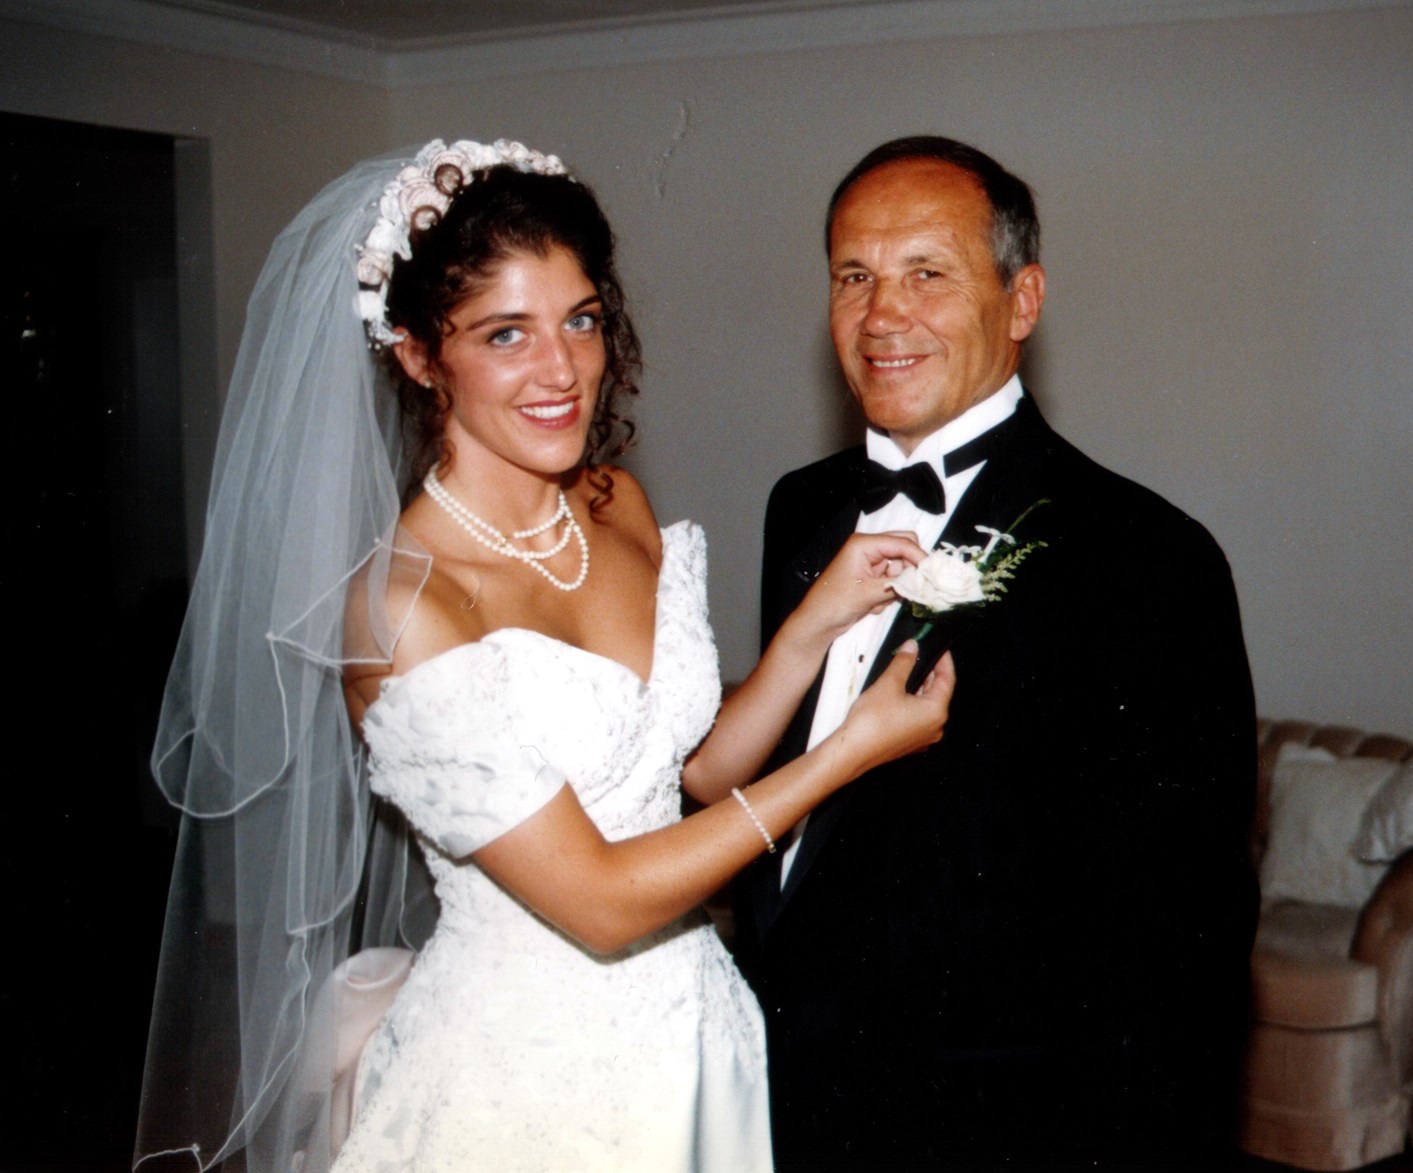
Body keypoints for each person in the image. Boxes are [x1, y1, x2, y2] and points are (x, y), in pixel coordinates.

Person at [135, 140, 952, 1173]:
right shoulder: (405, 610)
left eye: (581, 319)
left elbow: (697, 773)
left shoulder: (616, 504)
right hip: (522, 1084)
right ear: (418, 355)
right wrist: (844, 755)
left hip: (694, 1045)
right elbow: (602, 903)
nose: (561, 370)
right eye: (505, 334)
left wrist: (814, 623)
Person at [732, 136, 1259, 1168]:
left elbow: (1182, 939)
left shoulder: (1147, 555)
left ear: (1022, 301)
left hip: (996, 1126)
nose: (881, 316)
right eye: (853, 276)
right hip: (781, 1093)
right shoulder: (800, 509)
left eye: (927, 273)